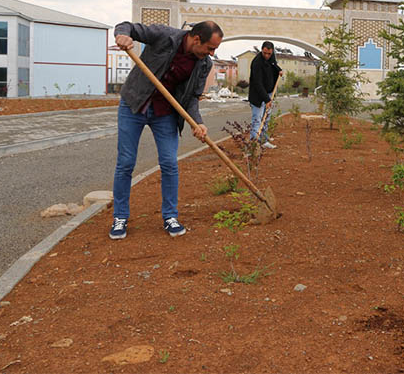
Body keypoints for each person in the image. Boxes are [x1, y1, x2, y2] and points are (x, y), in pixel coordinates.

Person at [110, 20, 223, 240]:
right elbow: (127, 26)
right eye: (210, 48)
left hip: (165, 113)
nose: (211, 54)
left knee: (170, 163)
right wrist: (122, 35)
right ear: (196, 39)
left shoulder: (203, 64)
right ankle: (120, 217)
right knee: (126, 162)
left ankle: (170, 216)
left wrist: (197, 122)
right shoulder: (165, 36)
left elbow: (191, 98)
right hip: (134, 103)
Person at [248, 41, 283, 148]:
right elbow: (258, 83)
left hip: (268, 93)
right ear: (261, 50)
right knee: (257, 119)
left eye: (269, 54)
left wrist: (279, 70)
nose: (267, 56)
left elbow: (274, 65)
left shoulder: (271, 58)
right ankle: (255, 142)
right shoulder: (257, 63)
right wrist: (266, 99)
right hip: (258, 96)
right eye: (265, 53)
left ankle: (263, 138)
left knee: (266, 118)